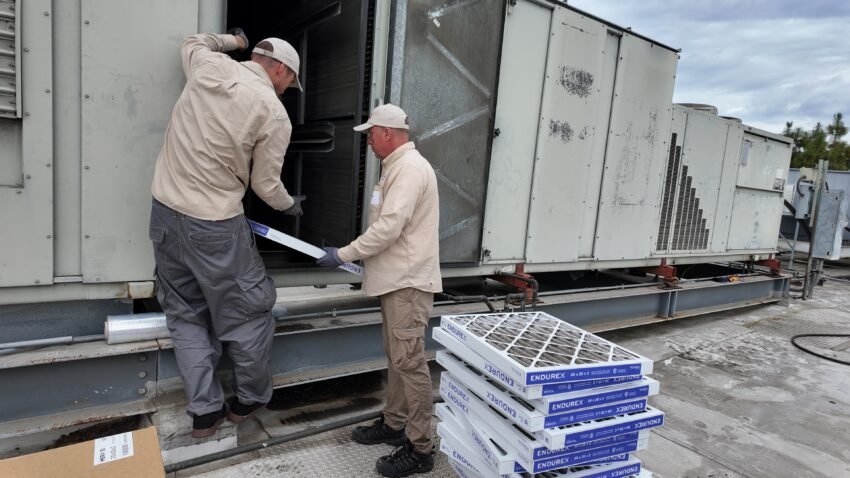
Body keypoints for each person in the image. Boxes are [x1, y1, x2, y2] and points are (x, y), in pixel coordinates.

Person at [148, 29, 305, 438]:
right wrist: (290, 205)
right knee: (247, 315)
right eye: (291, 81)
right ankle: (250, 398)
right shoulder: (273, 111)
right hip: (216, 225)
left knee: (185, 315)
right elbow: (265, 186)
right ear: (280, 69)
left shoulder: (208, 65)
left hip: (165, 215)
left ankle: (204, 413)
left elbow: (191, 43)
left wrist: (234, 41)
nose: (289, 89)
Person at [317, 104, 441, 477]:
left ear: (387, 133)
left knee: (410, 363)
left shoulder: (408, 169)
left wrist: (343, 254)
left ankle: (421, 448)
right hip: (397, 283)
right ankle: (393, 424)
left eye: (371, 134)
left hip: (407, 284)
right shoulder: (398, 167)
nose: (369, 141)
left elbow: (388, 228)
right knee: (398, 358)